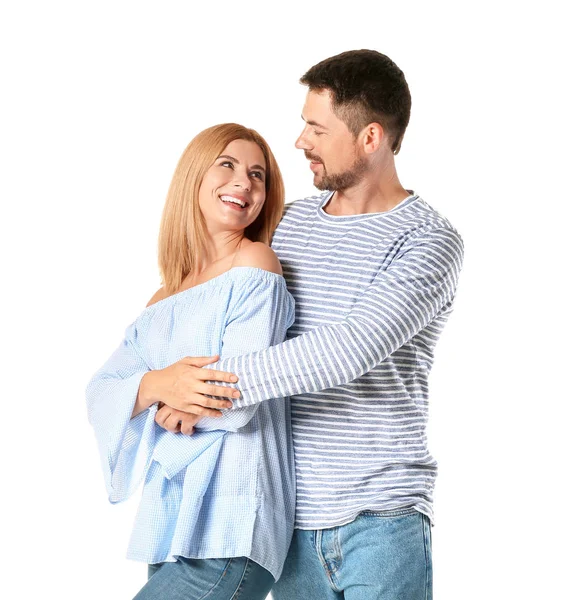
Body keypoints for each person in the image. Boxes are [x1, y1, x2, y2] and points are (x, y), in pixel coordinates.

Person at [149, 50, 465, 599]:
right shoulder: (287, 225)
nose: (299, 141)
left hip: (382, 519)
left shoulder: (429, 241)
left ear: (370, 138)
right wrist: (157, 381)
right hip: (286, 525)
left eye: (316, 128)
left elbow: (344, 352)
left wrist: (202, 392)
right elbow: (221, 313)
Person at [86, 123, 296, 600]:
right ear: (194, 177)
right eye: (228, 165)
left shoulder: (256, 264)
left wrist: (165, 398)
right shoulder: (162, 299)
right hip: (171, 521)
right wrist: (161, 383)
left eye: (258, 175)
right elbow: (100, 392)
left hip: (234, 519)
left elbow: (241, 391)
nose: (244, 183)